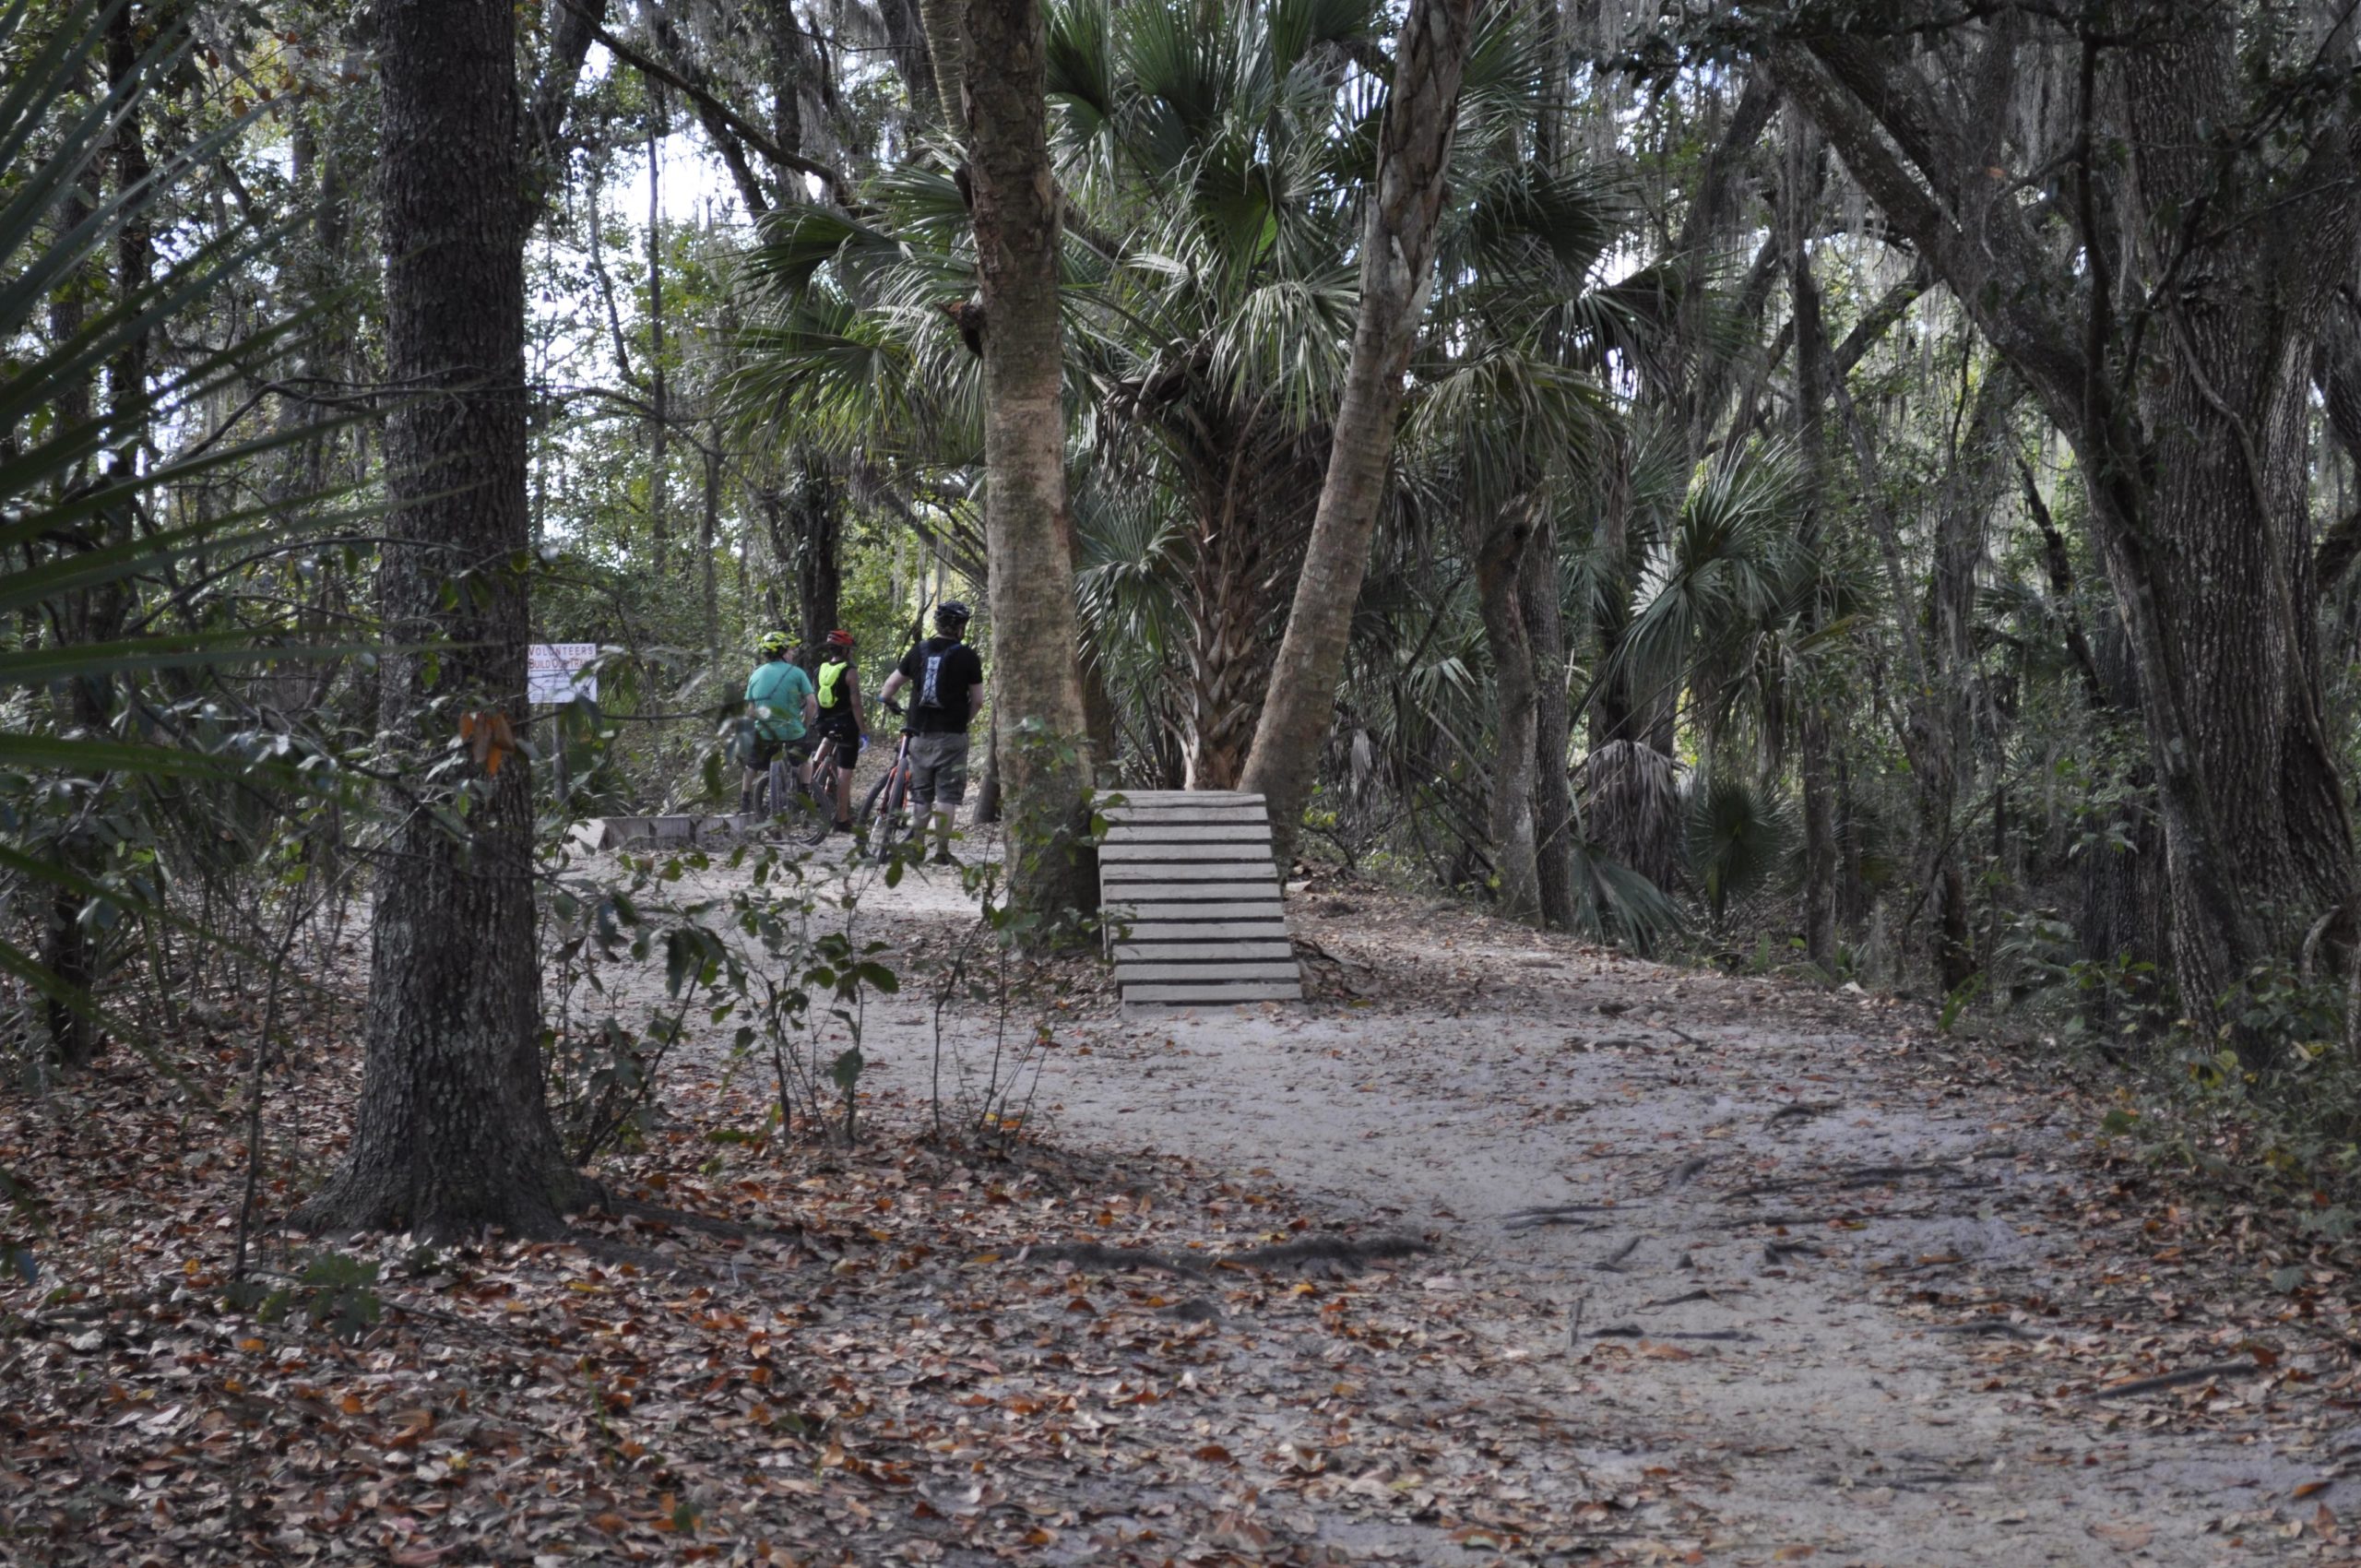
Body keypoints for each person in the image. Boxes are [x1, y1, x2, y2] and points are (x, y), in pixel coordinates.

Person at [876, 600, 985, 863]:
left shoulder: (918, 651)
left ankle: (916, 848)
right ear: (960, 628)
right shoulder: (967, 656)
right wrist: (964, 722)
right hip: (952, 735)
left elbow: (888, 689)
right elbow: (978, 699)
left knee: (921, 795)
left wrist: (891, 703)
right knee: (946, 796)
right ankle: (942, 852)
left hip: (919, 734)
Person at [741, 630, 816, 815]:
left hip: (765, 735)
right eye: (790, 650)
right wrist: (804, 726)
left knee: (751, 765)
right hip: (792, 734)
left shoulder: (756, 675)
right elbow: (812, 704)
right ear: (782, 652)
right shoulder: (797, 673)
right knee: (807, 760)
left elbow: (750, 712)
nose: (792, 654)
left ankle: (744, 800)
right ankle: (805, 792)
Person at [811, 629, 864, 835]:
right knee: (845, 774)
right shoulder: (850, 671)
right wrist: (863, 730)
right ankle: (842, 819)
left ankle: (810, 780)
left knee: (824, 746)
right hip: (846, 726)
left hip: (824, 724)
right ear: (846, 651)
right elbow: (856, 704)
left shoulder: (820, 669)